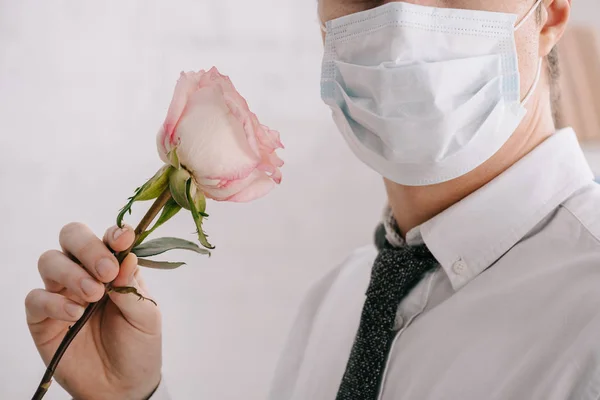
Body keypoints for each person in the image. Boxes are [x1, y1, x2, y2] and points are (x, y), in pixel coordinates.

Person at [26, 0, 600, 399]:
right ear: (324, 25)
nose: (402, 28)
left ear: (549, 11)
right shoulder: (338, 301)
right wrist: (130, 397)